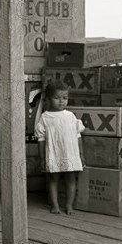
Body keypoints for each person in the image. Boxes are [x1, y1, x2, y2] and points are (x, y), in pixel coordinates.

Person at [35, 79, 86, 215]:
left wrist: (81, 154)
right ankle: (55, 205)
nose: (61, 101)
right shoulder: (45, 118)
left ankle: (69, 205)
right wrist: (42, 157)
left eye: (64, 98)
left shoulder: (70, 116)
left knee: (70, 178)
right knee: (53, 179)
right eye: (57, 98)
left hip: (70, 153)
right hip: (53, 154)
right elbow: (41, 139)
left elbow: (78, 136)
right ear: (48, 99)